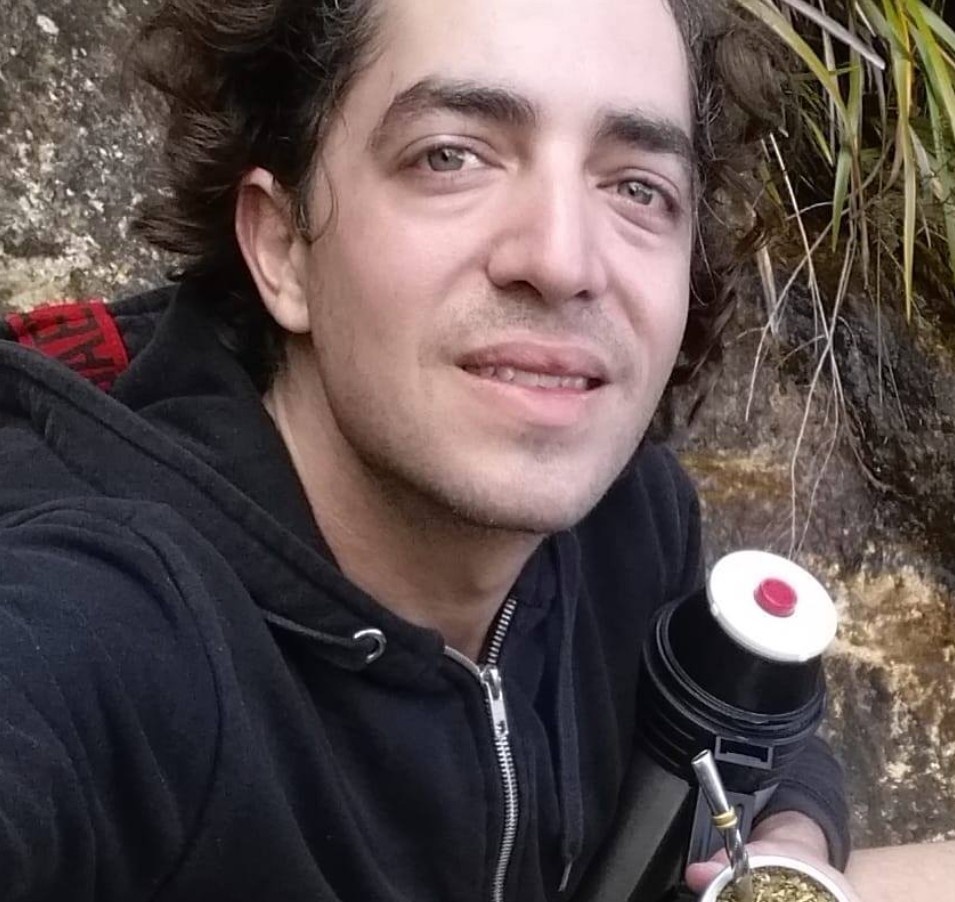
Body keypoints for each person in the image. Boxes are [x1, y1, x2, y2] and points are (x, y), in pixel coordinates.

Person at [0, 0, 855, 899]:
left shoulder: (629, 520)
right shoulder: (107, 622)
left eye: (637, 188)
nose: (562, 260)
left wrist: (789, 843)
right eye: (450, 156)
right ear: (284, 245)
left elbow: (740, 723)